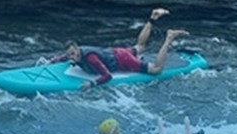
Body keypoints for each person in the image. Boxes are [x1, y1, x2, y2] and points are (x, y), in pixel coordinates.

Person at [53, 8, 188, 90]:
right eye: (70, 55)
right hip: (116, 52)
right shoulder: (75, 53)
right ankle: (153, 17)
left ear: (77, 49)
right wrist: (54, 60)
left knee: (156, 69)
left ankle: (169, 37)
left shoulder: (91, 58)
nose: (72, 57)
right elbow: (65, 56)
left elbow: (107, 76)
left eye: (74, 54)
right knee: (140, 46)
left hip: (123, 61)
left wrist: (92, 84)